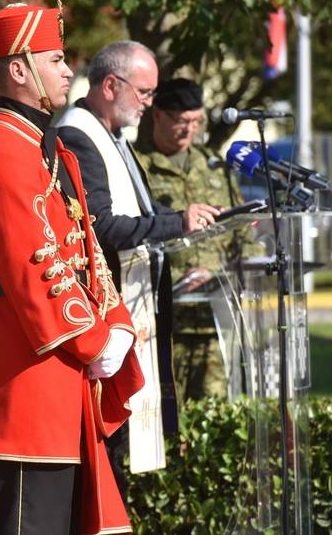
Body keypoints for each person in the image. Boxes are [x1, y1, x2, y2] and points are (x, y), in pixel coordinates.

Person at [0, 0, 144, 535]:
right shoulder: (2, 149)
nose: (68, 71)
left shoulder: (48, 148)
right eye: (56, 60)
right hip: (21, 392)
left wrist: (116, 320)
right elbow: (34, 268)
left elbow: (87, 248)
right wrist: (96, 339)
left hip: (62, 379)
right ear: (20, 70)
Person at [56, 41, 219, 483]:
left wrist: (187, 217)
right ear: (111, 85)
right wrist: (177, 223)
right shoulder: (78, 136)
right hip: (105, 317)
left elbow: (141, 212)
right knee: (107, 458)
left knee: (122, 458)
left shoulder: (112, 136)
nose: (149, 103)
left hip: (132, 309)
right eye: (144, 92)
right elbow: (102, 227)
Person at [134, 78, 257, 400]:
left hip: (214, 318)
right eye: (181, 120)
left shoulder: (214, 165)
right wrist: (179, 276)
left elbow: (242, 232)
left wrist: (249, 269)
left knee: (215, 414)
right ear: (157, 115)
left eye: (196, 121)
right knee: (167, 413)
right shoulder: (137, 166)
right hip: (163, 319)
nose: (189, 129)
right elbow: (134, 234)